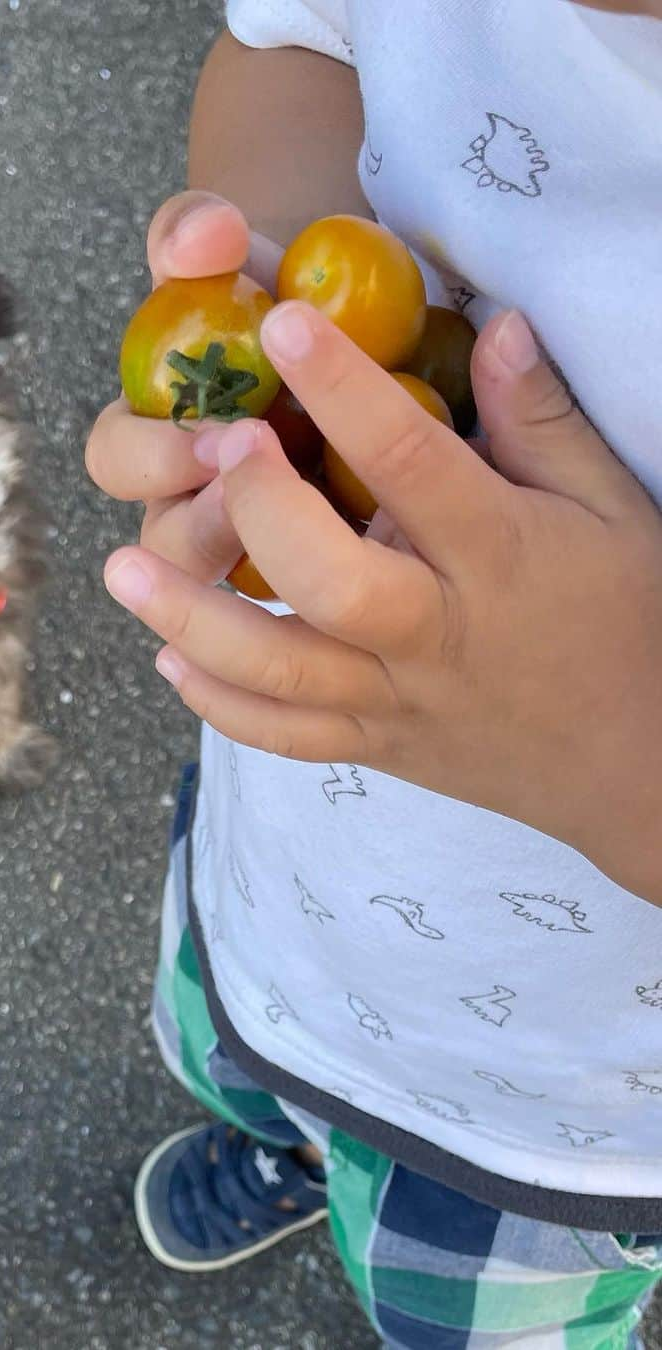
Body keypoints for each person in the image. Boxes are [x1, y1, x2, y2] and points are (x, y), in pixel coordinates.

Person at [84, 1, 662, 1344]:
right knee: (249, 1053)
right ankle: (303, 1141)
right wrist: (277, 316)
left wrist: (631, 752)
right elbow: (300, 45)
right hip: (304, 881)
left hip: (575, 1119)